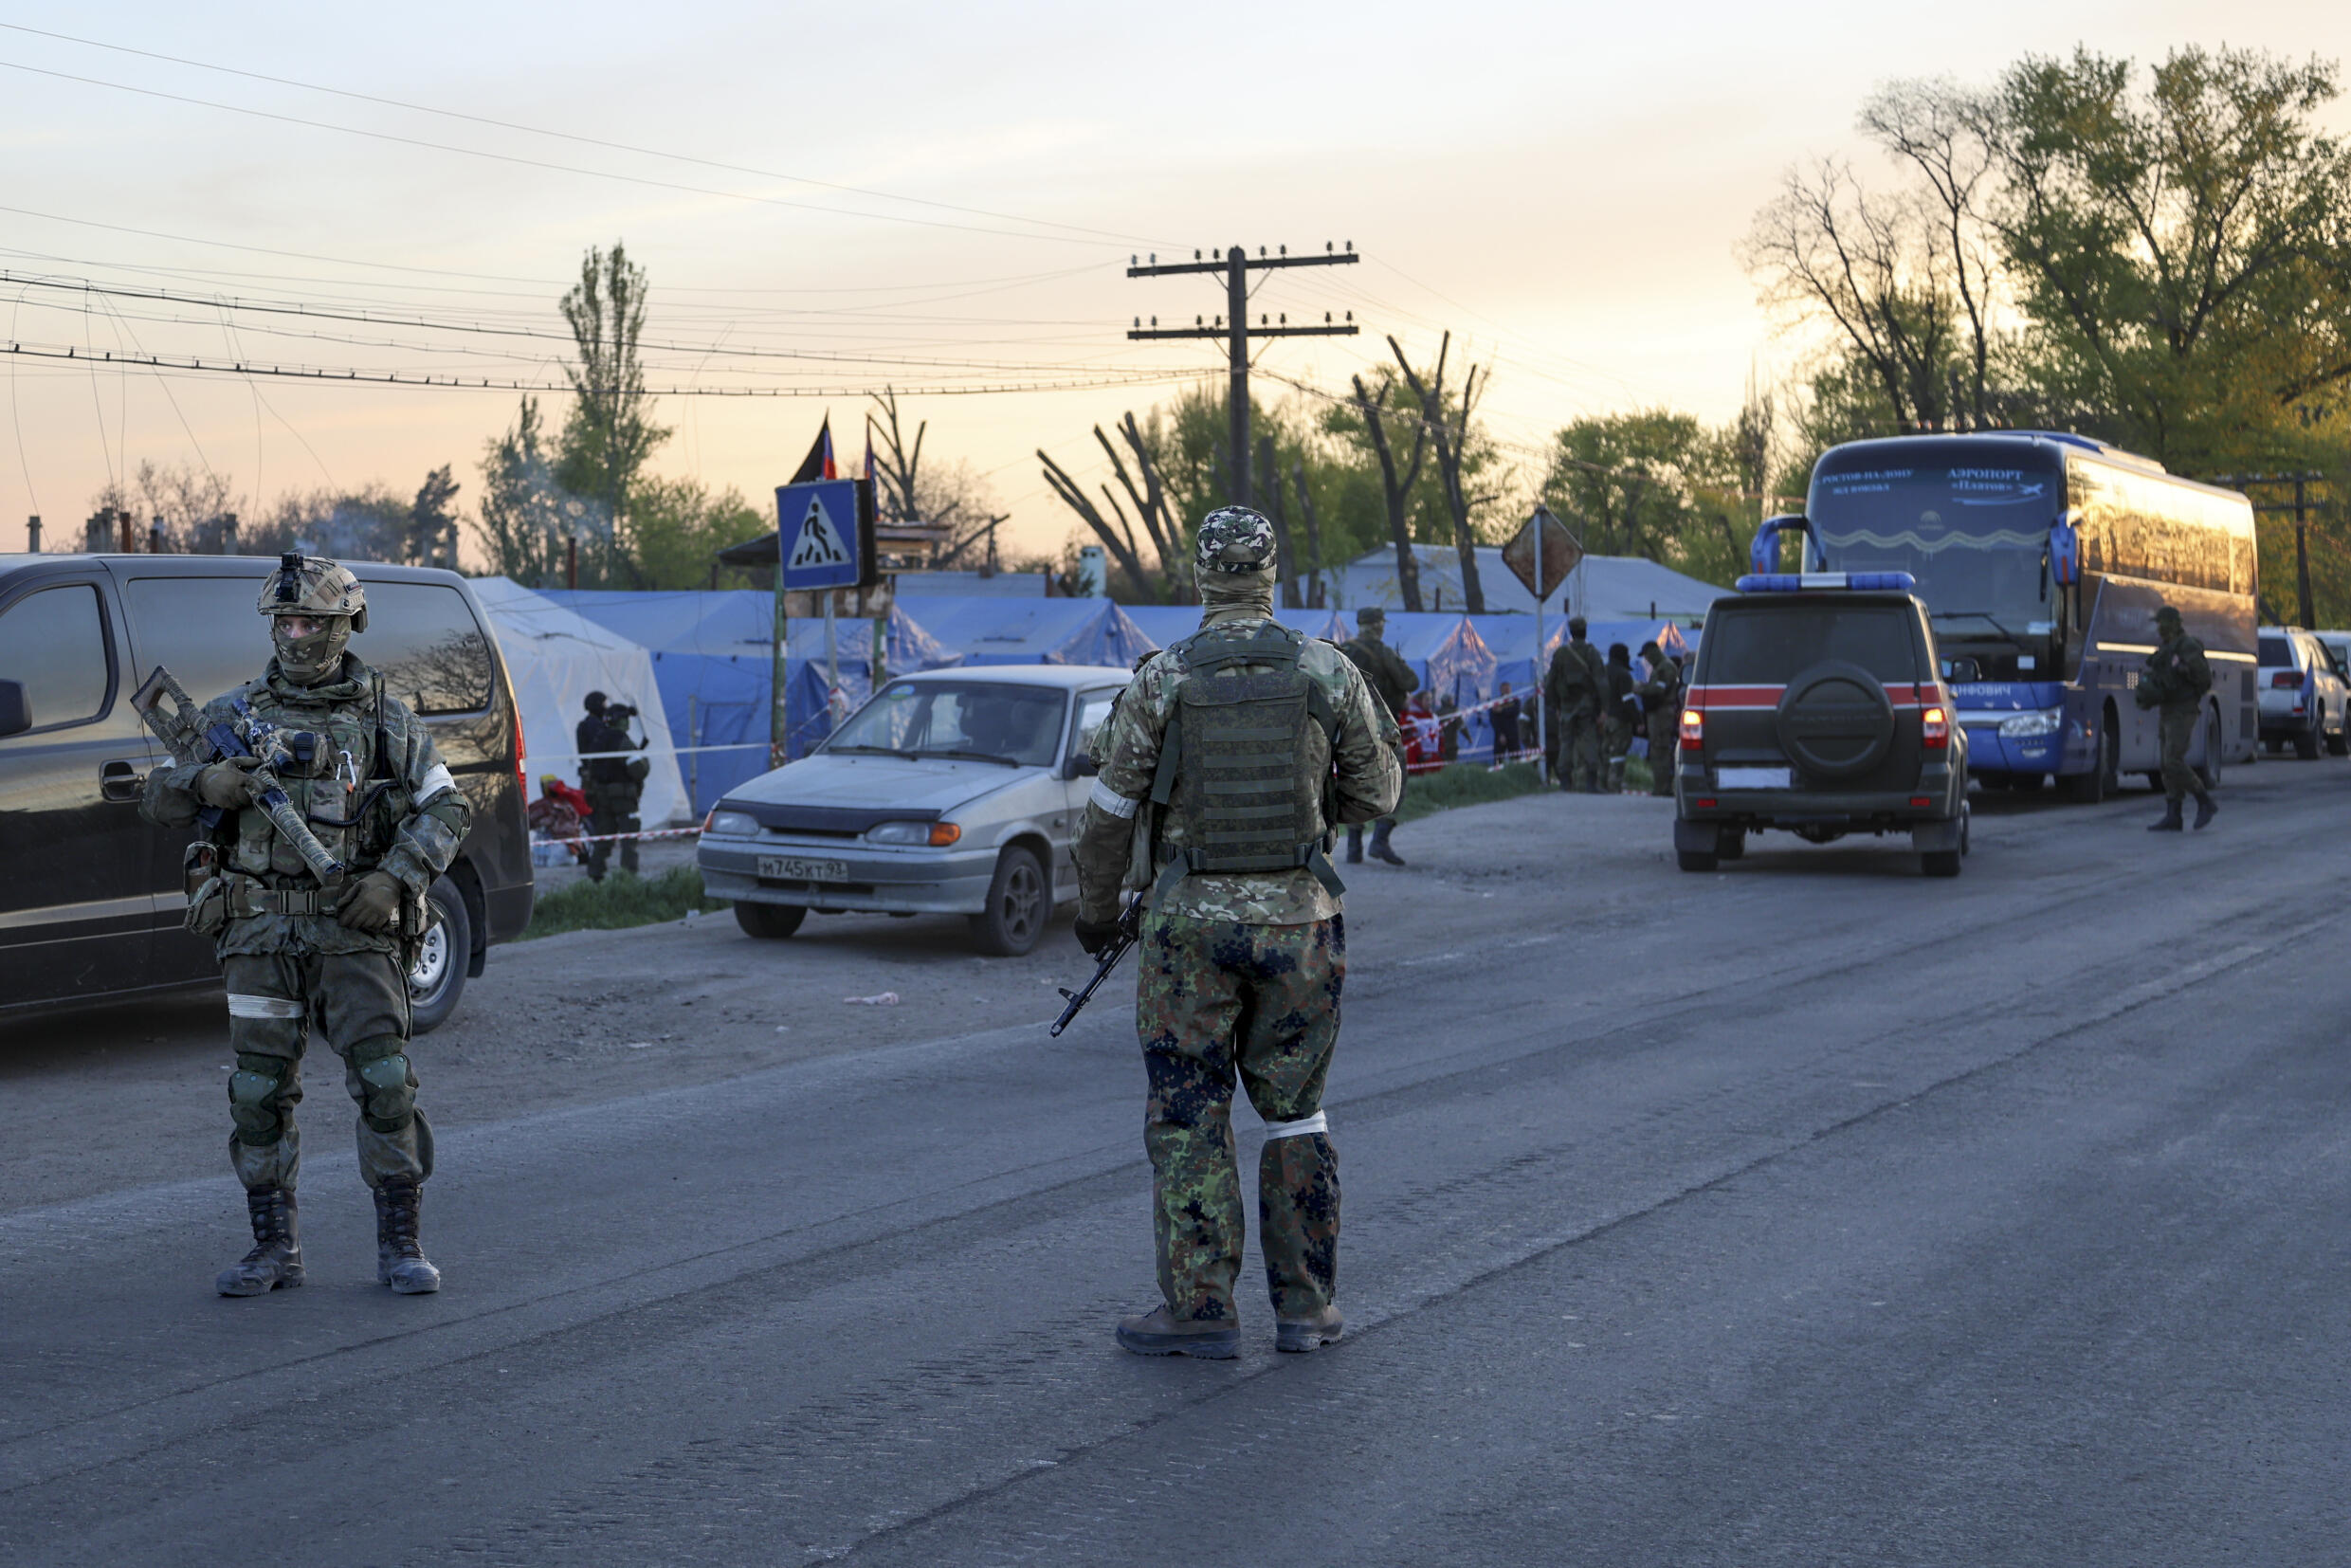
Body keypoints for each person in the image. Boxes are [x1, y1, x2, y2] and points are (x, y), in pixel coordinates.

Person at [1072, 507, 1401, 1358]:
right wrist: (1313, 815)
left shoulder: (1163, 678)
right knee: (1295, 1117)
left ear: (1201, 576)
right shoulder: (1328, 669)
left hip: (1188, 932)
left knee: (1188, 1114)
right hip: (1302, 928)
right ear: (1270, 574)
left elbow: (1107, 814)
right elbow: (1381, 795)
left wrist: (1096, 912)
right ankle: (1306, 1309)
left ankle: (1201, 1309)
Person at [138, 554, 472, 1297]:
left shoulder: (386, 715)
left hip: (353, 929)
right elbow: (154, 798)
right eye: (283, 620)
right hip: (259, 934)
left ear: (344, 625)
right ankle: (273, 1249)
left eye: (310, 622)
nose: (293, 634)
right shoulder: (232, 716)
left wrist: (394, 879)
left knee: (385, 1082)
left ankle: (401, 1245)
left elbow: (449, 807)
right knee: (258, 1091)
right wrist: (203, 782)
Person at [1338, 605, 1416, 866]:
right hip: (1383, 729)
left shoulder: (1343, 652)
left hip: (1349, 730)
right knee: (1397, 780)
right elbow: (1410, 682)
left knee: (1354, 781)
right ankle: (1380, 840)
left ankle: (1353, 847)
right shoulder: (1383, 652)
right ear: (1379, 625)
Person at [2138, 604, 2216, 830]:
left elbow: (2204, 679)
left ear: (2173, 623)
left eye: (2162, 623)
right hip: (2168, 709)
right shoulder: (2168, 648)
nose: (2159, 628)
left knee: (2173, 759)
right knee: (2166, 763)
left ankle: (2204, 800)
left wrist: (2183, 670)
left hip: (2183, 710)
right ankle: (2174, 813)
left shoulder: (2187, 646)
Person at [577, 694, 648, 879]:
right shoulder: (621, 740)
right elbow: (638, 770)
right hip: (623, 798)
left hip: (602, 798)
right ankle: (628, 878)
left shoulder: (598, 739)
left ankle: (595, 876)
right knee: (629, 840)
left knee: (603, 838)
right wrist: (643, 760)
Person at [1545, 617, 1608, 792]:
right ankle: (1590, 783)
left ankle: (1565, 782)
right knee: (1589, 741)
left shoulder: (1560, 653)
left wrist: (1555, 706)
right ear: (1585, 631)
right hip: (1586, 704)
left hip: (1566, 705)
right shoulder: (1591, 653)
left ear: (1571, 632)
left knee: (1566, 743)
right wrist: (1604, 709)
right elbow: (1601, 682)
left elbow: (1550, 682)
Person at [1635, 640, 1684, 797]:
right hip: (1657, 713)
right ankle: (1660, 786)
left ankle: (1662, 787)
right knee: (1657, 748)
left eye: (1647, 656)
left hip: (1661, 713)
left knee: (1660, 748)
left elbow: (1659, 689)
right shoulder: (1661, 667)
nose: (1646, 660)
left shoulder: (1665, 668)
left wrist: (1640, 688)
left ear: (1653, 652)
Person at [1602, 642, 1637, 793]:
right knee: (1618, 753)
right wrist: (1638, 721)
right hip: (1619, 720)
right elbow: (1628, 700)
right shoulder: (1623, 675)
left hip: (1603, 719)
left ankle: (1601, 782)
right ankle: (1614, 784)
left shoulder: (1602, 671)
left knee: (1604, 751)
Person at [1490, 682, 1522, 768]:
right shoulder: (1496, 702)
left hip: (1513, 734)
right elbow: (1493, 720)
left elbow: (1516, 711)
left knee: (1516, 758)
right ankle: (1496, 776)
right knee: (1498, 759)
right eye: (1505, 689)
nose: (1507, 691)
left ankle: (1518, 773)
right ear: (1501, 690)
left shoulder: (1515, 700)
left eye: (1508, 689)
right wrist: (1500, 734)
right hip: (1501, 735)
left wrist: (1502, 711)